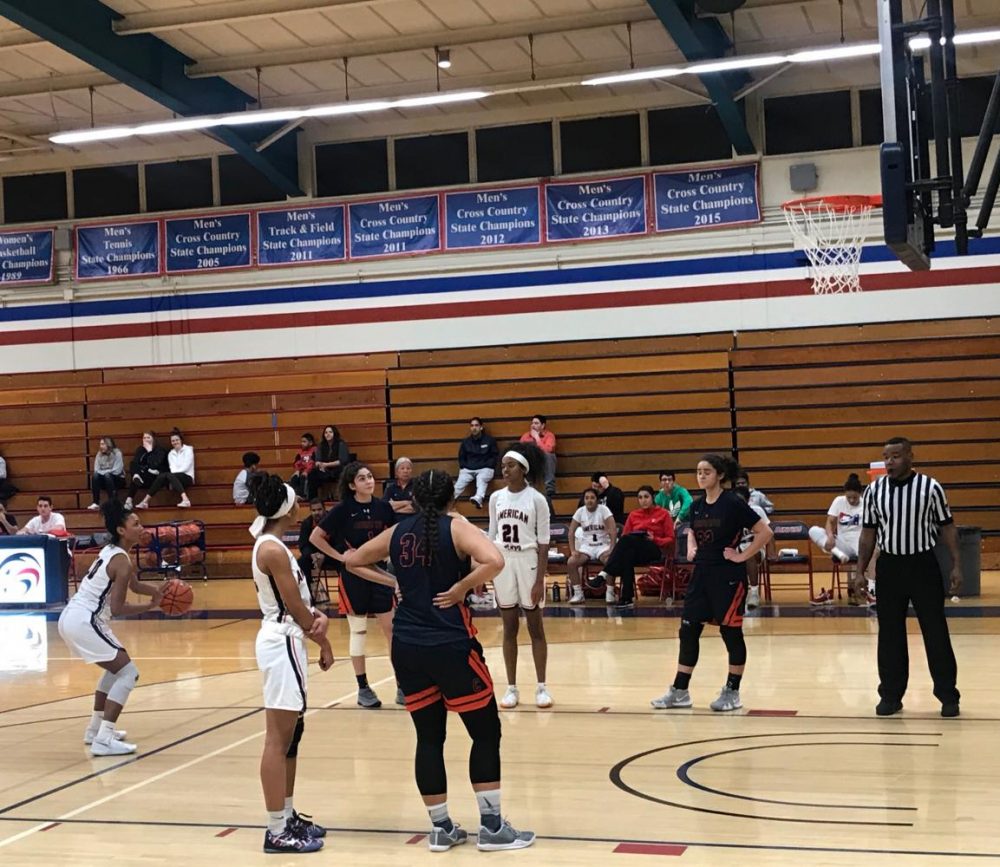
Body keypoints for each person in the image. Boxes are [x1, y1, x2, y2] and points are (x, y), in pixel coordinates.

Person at [344, 469, 536, 852]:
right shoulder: (457, 527)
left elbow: (353, 561)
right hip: (450, 643)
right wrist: (461, 587)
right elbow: (494, 560)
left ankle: (441, 828)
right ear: (452, 498)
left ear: (413, 498)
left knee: (429, 738)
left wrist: (392, 582)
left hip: (407, 647)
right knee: (485, 733)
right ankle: (493, 827)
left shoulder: (397, 532)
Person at [249, 475, 334, 854]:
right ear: (287, 508)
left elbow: (299, 605)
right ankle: (275, 830)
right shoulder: (272, 551)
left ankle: (286, 814)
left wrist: (317, 624)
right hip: (281, 641)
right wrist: (323, 637)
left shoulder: (274, 545)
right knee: (277, 739)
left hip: (288, 640)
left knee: (291, 738)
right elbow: (296, 609)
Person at [651, 455, 773, 713]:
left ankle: (732, 691)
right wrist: (693, 546)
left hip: (727, 576)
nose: (701, 475)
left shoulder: (732, 503)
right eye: (698, 471)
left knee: (730, 632)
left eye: (707, 471)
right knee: (688, 629)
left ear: (719, 475)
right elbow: (691, 530)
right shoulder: (695, 507)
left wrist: (741, 555)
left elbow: (765, 532)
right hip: (701, 574)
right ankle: (680, 691)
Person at [858, 437, 962, 719]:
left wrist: (956, 565)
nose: (889, 461)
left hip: (923, 565)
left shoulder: (931, 487)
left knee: (935, 631)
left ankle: (948, 695)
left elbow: (948, 527)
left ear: (910, 457)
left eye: (895, 456)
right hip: (890, 567)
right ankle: (890, 696)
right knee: (889, 634)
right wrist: (859, 570)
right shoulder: (874, 491)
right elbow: (868, 534)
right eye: (885, 456)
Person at [57, 501, 167, 755]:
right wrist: (151, 607)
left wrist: (158, 592)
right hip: (84, 620)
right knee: (129, 673)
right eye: (135, 524)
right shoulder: (122, 561)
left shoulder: (114, 552)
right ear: (121, 530)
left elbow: (135, 586)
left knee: (115, 670)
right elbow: (118, 609)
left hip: (75, 617)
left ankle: (95, 730)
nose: (141, 527)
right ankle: (104, 739)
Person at [309, 461, 400, 708]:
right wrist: (340, 557)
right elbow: (315, 537)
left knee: (392, 630)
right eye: (362, 478)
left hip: (379, 573)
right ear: (352, 485)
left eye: (370, 476)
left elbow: (394, 536)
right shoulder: (342, 510)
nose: (369, 481)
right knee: (358, 631)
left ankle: (402, 685)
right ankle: (363, 688)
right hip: (353, 577)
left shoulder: (383, 508)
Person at [489, 442, 552, 709]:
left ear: (523, 469)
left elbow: (544, 542)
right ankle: (511, 688)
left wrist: (539, 580)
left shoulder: (537, 499)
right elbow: (491, 538)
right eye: (503, 466)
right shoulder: (496, 498)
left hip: (528, 561)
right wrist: (487, 572)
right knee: (509, 628)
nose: (505, 470)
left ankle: (541, 687)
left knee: (535, 626)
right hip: (504, 562)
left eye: (510, 465)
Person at [595, 486, 675, 609]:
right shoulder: (633, 515)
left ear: (652, 498)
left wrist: (654, 539)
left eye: (646, 497)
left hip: (654, 549)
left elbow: (670, 538)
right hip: (637, 551)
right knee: (627, 555)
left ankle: (605, 573)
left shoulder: (663, 514)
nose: (643, 500)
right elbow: (625, 537)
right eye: (640, 497)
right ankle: (627, 598)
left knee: (627, 543)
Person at [809, 472, 867, 605]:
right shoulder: (838, 501)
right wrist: (830, 537)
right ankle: (838, 553)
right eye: (849, 498)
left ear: (860, 494)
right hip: (842, 546)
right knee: (813, 530)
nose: (851, 500)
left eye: (854, 498)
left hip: (860, 545)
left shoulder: (866, 504)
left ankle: (868, 589)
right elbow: (830, 522)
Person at [566, 488, 616, 604]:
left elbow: (613, 530)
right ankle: (578, 594)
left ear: (597, 500)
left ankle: (610, 592)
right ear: (584, 500)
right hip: (586, 546)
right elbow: (571, 532)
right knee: (571, 562)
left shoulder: (604, 510)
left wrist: (612, 548)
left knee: (610, 561)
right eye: (587, 498)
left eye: (592, 498)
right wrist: (573, 550)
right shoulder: (580, 511)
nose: (589, 500)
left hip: (602, 545)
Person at [136, 428, 194, 509]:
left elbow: (186, 467)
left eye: (177, 440)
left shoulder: (188, 450)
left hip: (187, 476)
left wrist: (171, 477)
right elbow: (172, 468)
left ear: (181, 440)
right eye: (173, 441)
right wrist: (171, 477)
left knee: (167, 475)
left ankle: (186, 500)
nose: (175, 442)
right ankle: (145, 501)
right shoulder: (171, 453)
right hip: (174, 477)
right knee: (163, 476)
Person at [735, 487, 770, 611]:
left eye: (741, 500)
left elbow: (769, 533)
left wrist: (773, 552)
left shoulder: (757, 511)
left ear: (748, 500)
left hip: (756, 546)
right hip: (738, 546)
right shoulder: (730, 513)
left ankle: (754, 592)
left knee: (748, 553)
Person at [454, 417, 498, 508]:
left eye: (476, 425)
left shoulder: (490, 440)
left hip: (485, 468)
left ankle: (478, 498)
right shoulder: (465, 442)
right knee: (458, 485)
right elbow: (461, 457)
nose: (474, 428)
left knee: (481, 479)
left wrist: (489, 465)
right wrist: (464, 466)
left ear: (481, 427)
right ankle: (446, 502)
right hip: (468, 468)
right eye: (472, 425)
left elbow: (494, 455)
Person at [297, 499, 335, 603]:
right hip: (314, 558)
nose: (316, 512)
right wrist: (312, 555)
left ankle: (346, 600)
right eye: (313, 510)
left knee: (345, 564)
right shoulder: (307, 523)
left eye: (319, 509)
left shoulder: (334, 520)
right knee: (301, 562)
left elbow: (339, 544)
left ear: (324, 509)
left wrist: (324, 556)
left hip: (332, 556)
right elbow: (303, 545)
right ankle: (309, 597)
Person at [519, 415, 556, 512]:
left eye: (536, 423)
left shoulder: (549, 436)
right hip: (530, 462)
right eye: (532, 423)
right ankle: (526, 486)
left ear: (543, 425)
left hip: (543, 462)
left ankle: (549, 486)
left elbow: (549, 449)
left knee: (549, 456)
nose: (533, 425)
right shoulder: (525, 436)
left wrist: (537, 439)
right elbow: (519, 450)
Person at [125, 431, 168, 510]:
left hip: (154, 477)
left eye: (148, 437)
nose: (146, 439)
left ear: (153, 439)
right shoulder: (140, 449)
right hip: (142, 476)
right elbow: (136, 463)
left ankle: (136, 477)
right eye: (144, 438)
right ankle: (129, 501)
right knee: (133, 465)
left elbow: (154, 465)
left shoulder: (160, 450)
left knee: (136, 476)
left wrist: (149, 451)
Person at [308, 425, 350, 499]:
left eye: (330, 432)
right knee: (312, 474)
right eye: (326, 432)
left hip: (337, 469)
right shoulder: (321, 445)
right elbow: (317, 460)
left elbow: (342, 461)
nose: (328, 434)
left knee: (343, 471)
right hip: (324, 470)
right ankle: (313, 499)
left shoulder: (341, 444)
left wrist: (326, 465)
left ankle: (344, 498)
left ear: (334, 433)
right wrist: (319, 465)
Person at [87, 436, 125, 510]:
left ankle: (112, 502)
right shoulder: (99, 454)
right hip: (104, 479)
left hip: (117, 479)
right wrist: (105, 473)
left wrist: (105, 472)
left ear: (108, 444)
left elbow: (117, 470)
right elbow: (96, 469)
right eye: (100, 444)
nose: (101, 446)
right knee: (95, 476)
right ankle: (95, 502)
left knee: (108, 475)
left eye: (103, 444)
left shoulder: (117, 453)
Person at [289, 433, 316, 500]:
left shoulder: (314, 451)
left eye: (304, 442)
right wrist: (297, 470)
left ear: (310, 443)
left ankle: (303, 495)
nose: (302, 443)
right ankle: (292, 496)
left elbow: (312, 462)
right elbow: (297, 462)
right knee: (294, 478)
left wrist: (306, 471)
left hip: (311, 471)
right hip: (301, 471)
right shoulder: (300, 452)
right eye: (301, 442)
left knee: (303, 477)